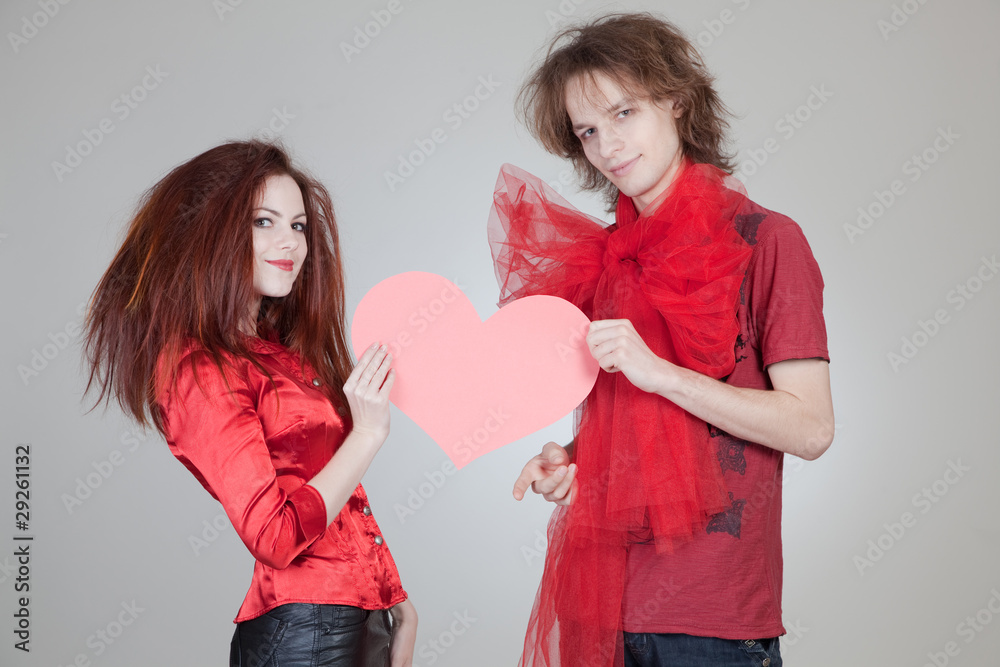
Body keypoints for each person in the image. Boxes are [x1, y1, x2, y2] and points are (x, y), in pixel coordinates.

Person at [488, 13, 833, 667]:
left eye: (624, 113)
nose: (608, 145)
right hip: (603, 605)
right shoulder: (607, 260)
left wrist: (664, 373)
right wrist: (572, 459)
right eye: (588, 131)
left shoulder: (767, 241)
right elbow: (641, 433)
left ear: (676, 100)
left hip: (711, 621)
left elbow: (812, 428)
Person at [84, 140, 417, 666]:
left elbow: (333, 493)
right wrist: (368, 433)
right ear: (209, 230)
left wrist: (393, 599)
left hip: (353, 618)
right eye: (264, 221)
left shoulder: (276, 354)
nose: (291, 242)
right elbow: (275, 536)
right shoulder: (199, 369)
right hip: (304, 634)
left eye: (299, 225)